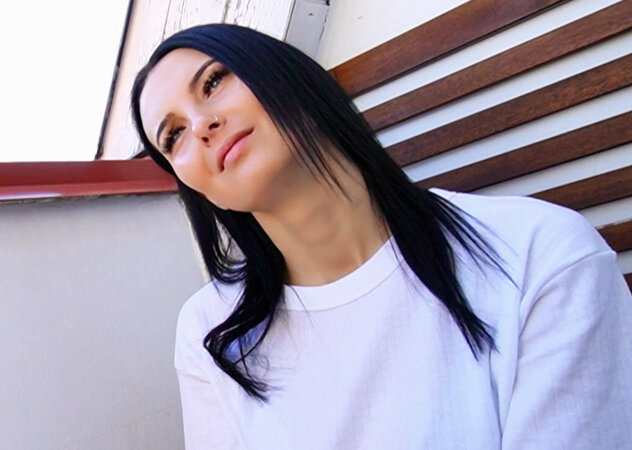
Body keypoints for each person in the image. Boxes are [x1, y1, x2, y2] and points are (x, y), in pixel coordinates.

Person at [130, 24, 632, 449]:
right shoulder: (208, 331)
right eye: (173, 136)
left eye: (214, 81)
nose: (201, 124)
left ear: (287, 76)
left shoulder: (540, 254)